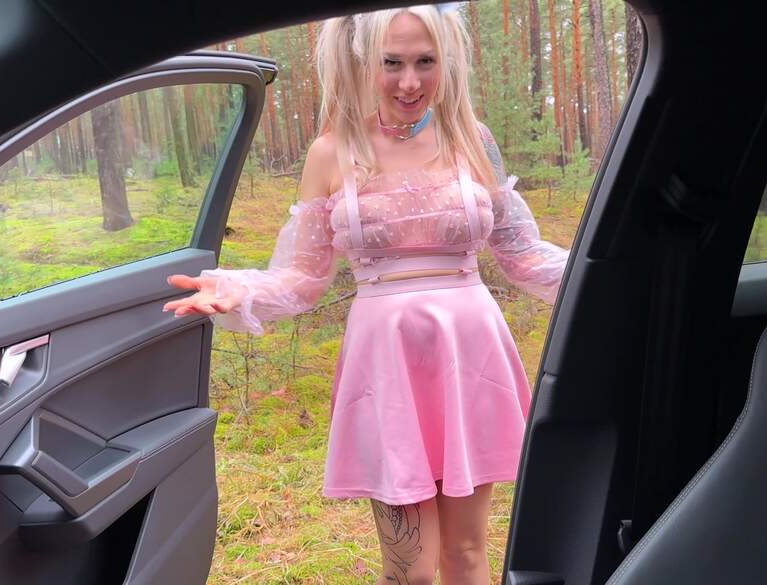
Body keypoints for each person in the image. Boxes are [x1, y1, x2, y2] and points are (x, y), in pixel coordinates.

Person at [163, 4, 569, 584]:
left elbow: (523, 253)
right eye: (391, 63)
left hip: (469, 359)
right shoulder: (332, 152)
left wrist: (612, 278)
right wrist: (237, 289)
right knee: (410, 570)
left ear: (446, 61)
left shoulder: (472, 138)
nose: (410, 82)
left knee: (467, 553)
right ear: (361, 62)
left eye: (425, 62)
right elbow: (304, 277)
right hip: (387, 368)